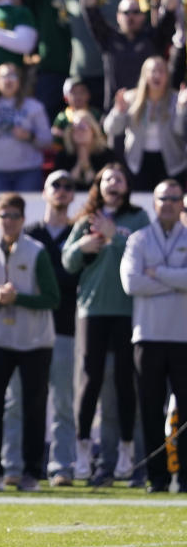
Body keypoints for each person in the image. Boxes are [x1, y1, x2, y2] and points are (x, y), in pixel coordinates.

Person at [62, 163, 150, 485]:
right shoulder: (85, 221)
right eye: (107, 179)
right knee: (90, 381)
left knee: (126, 382)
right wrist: (81, 247)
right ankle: (83, 450)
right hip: (91, 310)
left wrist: (116, 237)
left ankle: (127, 451)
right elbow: (67, 261)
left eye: (119, 179)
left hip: (127, 311)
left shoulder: (138, 219)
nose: (113, 184)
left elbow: (147, 257)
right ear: (97, 186)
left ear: (127, 187)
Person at [0, 193, 60, 492]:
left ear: (23, 219)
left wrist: (17, 298)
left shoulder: (37, 251)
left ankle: (32, 472)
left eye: (13, 216)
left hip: (35, 341)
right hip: (0, 338)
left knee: (34, 407)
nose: (8, 221)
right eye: (3, 216)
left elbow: (53, 298)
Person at [120, 179, 187, 494]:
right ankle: (156, 478)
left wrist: (157, 273)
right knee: (149, 408)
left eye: (176, 198)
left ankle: (184, 477)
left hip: (183, 337)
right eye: (164, 198)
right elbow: (132, 284)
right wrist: (176, 280)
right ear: (155, 202)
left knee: (185, 412)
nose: (170, 203)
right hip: (146, 336)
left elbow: (146, 279)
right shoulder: (139, 239)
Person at [23, 170, 81, 486]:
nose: (61, 190)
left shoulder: (78, 233)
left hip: (65, 328)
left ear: (73, 195)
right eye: (55, 185)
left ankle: (62, 466)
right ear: (44, 192)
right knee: (20, 401)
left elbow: (75, 280)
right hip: (28, 329)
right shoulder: (29, 233)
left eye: (67, 186)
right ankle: (14, 465)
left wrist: (49, 282)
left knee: (62, 402)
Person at [103, 56, 187, 191]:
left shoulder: (177, 99)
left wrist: (182, 108)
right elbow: (111, 129)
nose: (157, 75)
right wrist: (119, 112)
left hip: (172, 164)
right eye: (153, 71)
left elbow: (181, 132)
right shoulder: (130, 98)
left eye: (162, 71)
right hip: (137, 163)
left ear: (167, 75)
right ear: (145, 75)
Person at [0, 62, 52, 191]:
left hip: (28, 172)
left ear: (20, 80)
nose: (8, 80)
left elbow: (47, 141)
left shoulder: (34, 106)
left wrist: (29, 136)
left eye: (13, 76)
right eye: (4, 76)